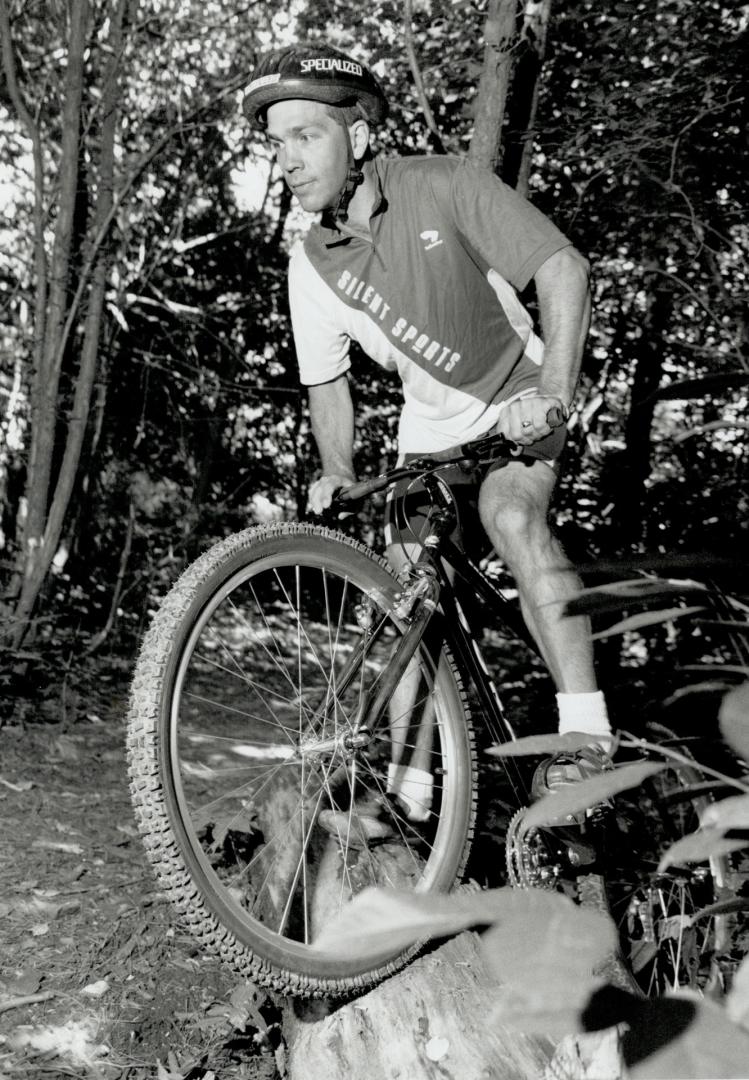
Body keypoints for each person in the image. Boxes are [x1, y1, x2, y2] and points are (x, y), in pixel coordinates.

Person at [243, 43, 612, 838]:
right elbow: (326, 383)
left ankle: (588, 736)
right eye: (276, 143)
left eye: (306, 135)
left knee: (513, 516)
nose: (287, 160)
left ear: (361, 137)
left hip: (515, 391)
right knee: (407, 585)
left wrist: (551, 395)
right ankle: (408, 795)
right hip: (432, 426)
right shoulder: (311, 263)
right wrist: (337, 469)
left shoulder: (443, 185)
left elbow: (563, 269)